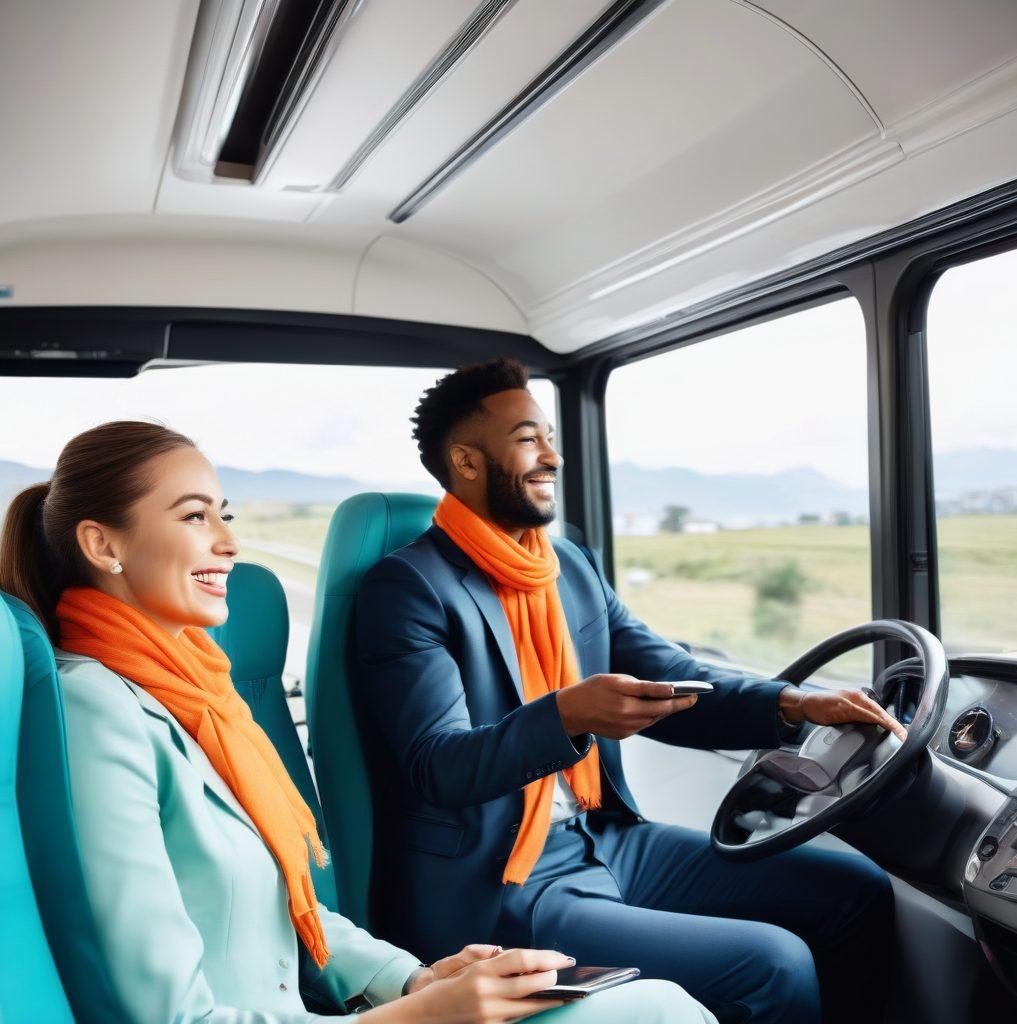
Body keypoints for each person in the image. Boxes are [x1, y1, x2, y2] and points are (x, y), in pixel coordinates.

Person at [0, 420, 710, 1024]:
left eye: (226, 515)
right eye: (194, 517)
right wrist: (423, 1016)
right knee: (664, 1010)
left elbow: (292, 901)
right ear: (103, 545)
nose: (228, 543)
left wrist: (418, 980)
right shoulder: (98, 708)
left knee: (659, 1004)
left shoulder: (199, 695)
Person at [354, 360, 907, 1024]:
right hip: (502, 881)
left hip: (604, 836)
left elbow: (664, 670)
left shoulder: (570, 568)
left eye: (552, 436)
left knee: (857, 893)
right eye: (530, 438)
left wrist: (791, 704)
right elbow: (438, 766)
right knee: (773, 963)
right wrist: (566, 716)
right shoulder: (409, 590)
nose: (552, 456)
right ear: (468, 461)